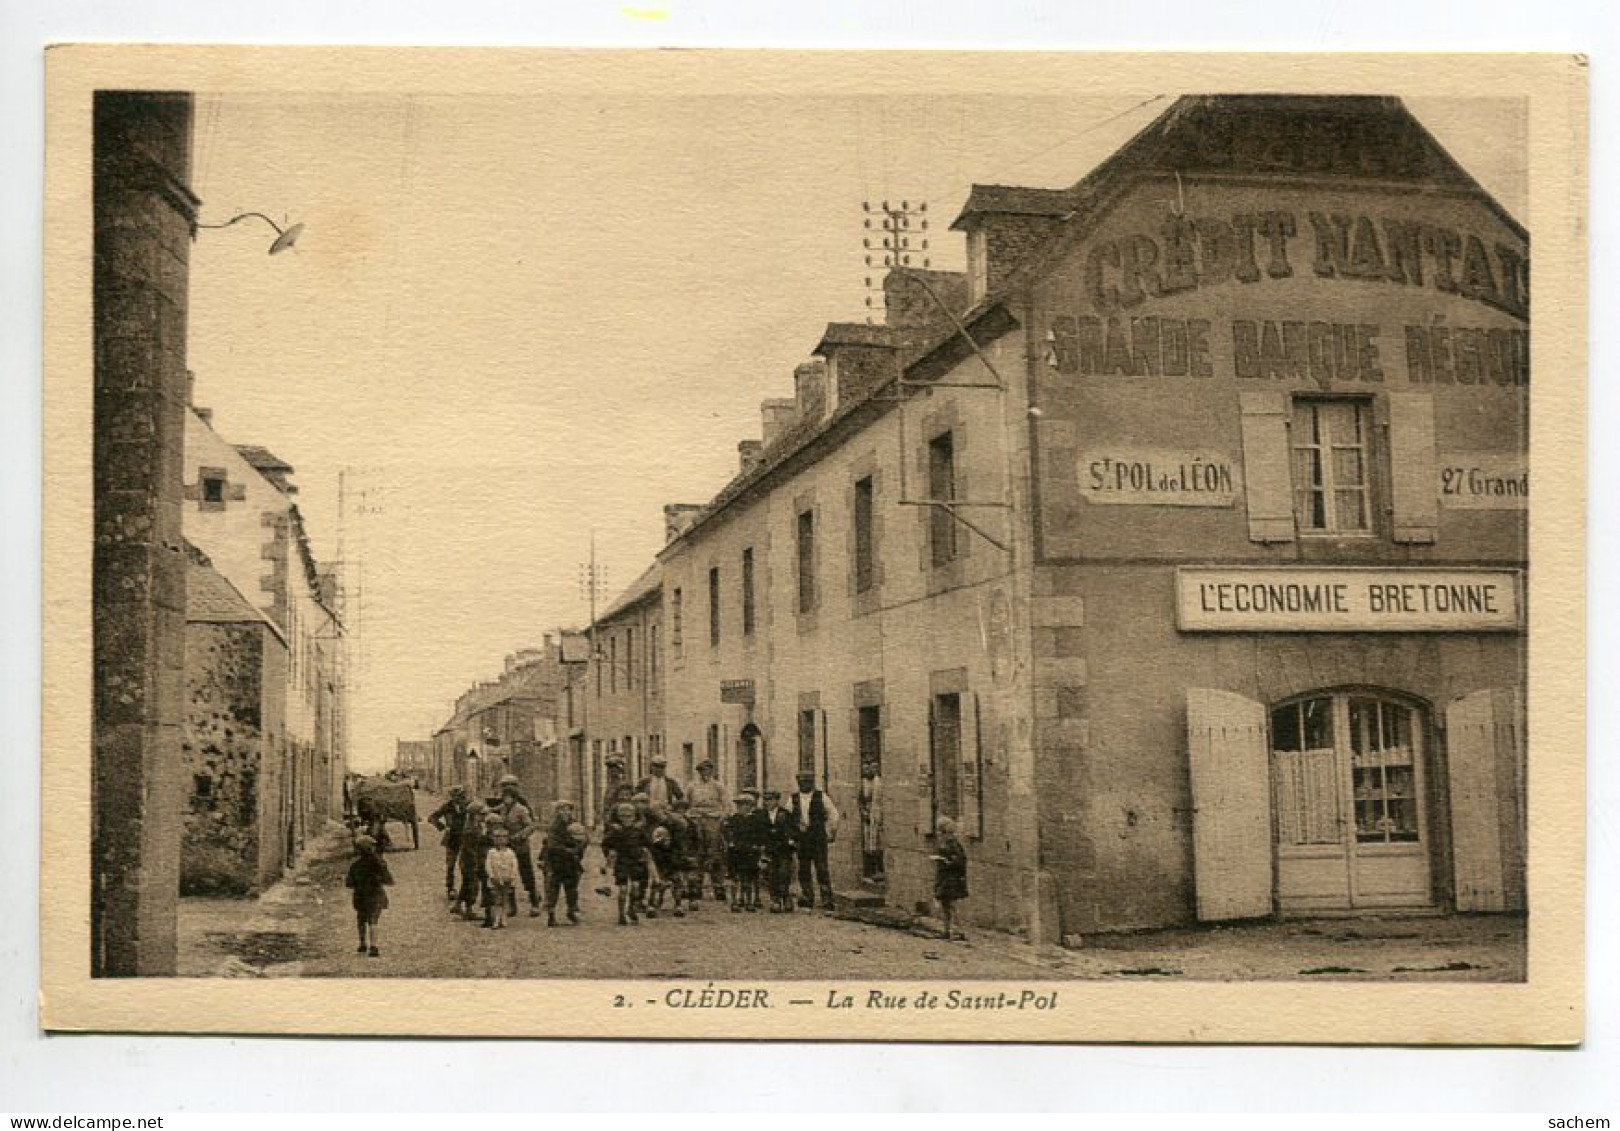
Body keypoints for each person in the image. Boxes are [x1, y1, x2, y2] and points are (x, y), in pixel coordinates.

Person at [790, 772, 841, 911]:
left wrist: (830, 832)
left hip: (818, 838)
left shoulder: (821, 796)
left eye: (807, 781)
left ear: (812, 782)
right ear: (798, 782)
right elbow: (788, 818)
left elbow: (833, 815)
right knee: (804, 869)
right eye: (802, 782)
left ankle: (827, 901)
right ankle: (807, 898)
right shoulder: (793, 799)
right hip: (802, 840)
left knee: (822, 869)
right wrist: (793, 834)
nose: (804, 784)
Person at [601, 801, 654, 926]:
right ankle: (621, 914)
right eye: (623, 817)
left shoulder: (638, 830)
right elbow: (605, 844)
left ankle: (631, 908)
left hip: (636, 862)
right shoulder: (615, 831)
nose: (626, 820)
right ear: (618, 818)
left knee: (635, 888)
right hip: (622, 862)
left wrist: (644, 851)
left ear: (635, 817)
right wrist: (610, 854)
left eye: (629, 816)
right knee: (623, 889)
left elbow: (648, 843)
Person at [497, 774, 542, 917]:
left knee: (526, 874)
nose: (506, 799)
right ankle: (511, 905)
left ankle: (534, 902)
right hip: (507, 847)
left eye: (509, 796)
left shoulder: (521, 808)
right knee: (508, 875)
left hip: (521, 847)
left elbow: (531, 826)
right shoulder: (503, 808)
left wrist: (520, 836)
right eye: (505, 796)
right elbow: (493, 812)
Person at [685, 759, 728, 899]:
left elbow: (726, 803)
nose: (705, 773)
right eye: (702, 771)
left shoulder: (718, 786)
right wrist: (689, 818)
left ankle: (718, 886)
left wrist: (722, 817)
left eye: (708, 770)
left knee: (715, 853)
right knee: (697, 852)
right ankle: (696, 886)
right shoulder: (692, 786)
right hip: (696, 820)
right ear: (698, 772)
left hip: (713, 820)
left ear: (712, 771)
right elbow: (686, 803)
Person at [344, 834, 393, 957]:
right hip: (375, 895)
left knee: (361, 919)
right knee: (373, 920)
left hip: (360, 896)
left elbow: (349, 883)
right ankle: (374, 946)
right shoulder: (380, 863)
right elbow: (389, 880)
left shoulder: (355, 866)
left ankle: (362, 943)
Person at [540, 800, 587, 926]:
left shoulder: (576, 824)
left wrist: (578, 848)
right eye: (561, 809)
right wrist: (568, 850)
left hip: (571, 862)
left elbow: (584, 839)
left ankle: (571, 911)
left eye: (568, 809)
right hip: (555, 861)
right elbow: (552, 845)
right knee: (553, 888)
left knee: (572, 888)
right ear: (557, 811)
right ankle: (551, 915)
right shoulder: (554, 827)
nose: (565, 812)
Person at [759, 789, 799, 913]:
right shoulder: (761, 815)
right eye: (765, 800)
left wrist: (791, 840)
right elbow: (757, 830)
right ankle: (775, 900)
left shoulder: (785, 814)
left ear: (777, 800)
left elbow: (793, 830)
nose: (767, 803)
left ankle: (786, 897)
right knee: (771, 875)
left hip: (783, 850)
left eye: (770, 800)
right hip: (769, 850)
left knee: (784, 873)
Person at [721, 792, 762, 912]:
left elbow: (760, 834)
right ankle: (735, 901)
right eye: (739, 805)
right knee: (734, 877)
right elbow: (726, 831)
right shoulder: (733, 819)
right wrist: (730, 842)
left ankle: (748, 901)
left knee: (748, 877)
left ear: (751, 806)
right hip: (736, 851)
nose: (741, 808)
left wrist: (757, 845)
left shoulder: (755, 820)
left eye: (744, 805)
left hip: (750, 851)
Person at [428, 785, 470, 900]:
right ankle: (450, 888)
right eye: (457, 796)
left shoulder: (468, 806)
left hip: (465, 839)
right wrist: (442, 827)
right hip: (451, 839)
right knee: (450, 865)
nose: (460, 798)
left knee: (465, 865)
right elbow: (432, 817)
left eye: (461, 796)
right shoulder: (447, 807)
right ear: (452, 797)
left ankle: (466, 889)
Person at [931, 817, 969, 941]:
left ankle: (959, 931)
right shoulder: (944, 842)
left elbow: (960, 860)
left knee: (952, 905)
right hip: (944, 877)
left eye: (942, 830)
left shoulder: (953, 843)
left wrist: (948, 862)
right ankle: (947, 930)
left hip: (952, 877)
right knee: (945, 905)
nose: (941, 834)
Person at [452, 800, 488, 920]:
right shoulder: (471, 830)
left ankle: (457, 905)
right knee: (472, 885)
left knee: (466, 883)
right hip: (469, 861)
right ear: (474, 815)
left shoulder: (476, 826)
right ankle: (469, 909)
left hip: (469, 860)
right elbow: (470, 849)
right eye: (481, 815)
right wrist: (476, 862)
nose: (484, 817)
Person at [484, 826, 520, 929]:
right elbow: (488, 865)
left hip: (507, 879)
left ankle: (504, 919)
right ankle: (496, 920)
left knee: (505, 899)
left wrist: (512, 877)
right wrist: (492, 876)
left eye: (503, 838)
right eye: (498, 838)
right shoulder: (491, 852)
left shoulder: (510, 853)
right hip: (495, 879)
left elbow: (514, 865)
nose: (500, 840)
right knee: (496, 900)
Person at [859, 764, 885, 880]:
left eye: (874, 768)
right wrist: (864, 812)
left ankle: (880, 870)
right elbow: (861, 799)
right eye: (866, 769)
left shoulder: (879, 782)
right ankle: (870, 870)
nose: (870, 771)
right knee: (869, 841)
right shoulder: (863, 782)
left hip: (878, 815)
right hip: (869, 815)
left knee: (878, 842)